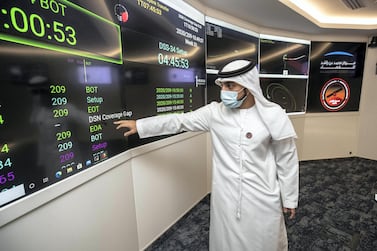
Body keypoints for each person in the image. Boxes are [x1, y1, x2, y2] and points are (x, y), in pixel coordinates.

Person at [114, 59, 299, 251]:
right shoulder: (215, 113)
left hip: (262, 195)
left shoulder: (274, 115)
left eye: (230, 85)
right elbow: (180, 121)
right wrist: (141, 125)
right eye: (223, 85)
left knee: (264, 240)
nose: (224, 91)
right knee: (228, 243)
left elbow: (286, 159)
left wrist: (289, 197)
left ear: (248, 85)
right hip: (226, 197)